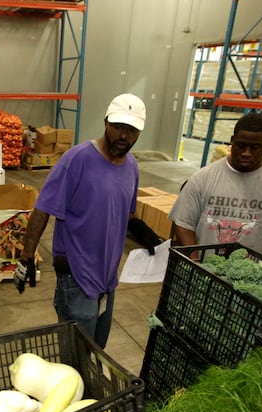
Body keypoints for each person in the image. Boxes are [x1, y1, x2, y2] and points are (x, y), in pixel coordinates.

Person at [13, 93, 161, 349]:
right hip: (76, 275)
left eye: (131, 130)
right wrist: (27, 257)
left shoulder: (132, 167)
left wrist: (143, 232)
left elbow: (126, 214)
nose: (123, 136)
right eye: (118, 127)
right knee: (76, 356)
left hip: (107, 278)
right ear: (106, 122)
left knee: (97, 349)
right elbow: (43, 209)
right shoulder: (77, 159)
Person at [168, 112, 262, 256]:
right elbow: (183, 224)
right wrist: (194, 263)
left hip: (250, 275)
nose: (246, 153)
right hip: (203, 268)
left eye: (254, 147)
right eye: (240, 146)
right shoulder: (202, 178)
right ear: (232, 140)